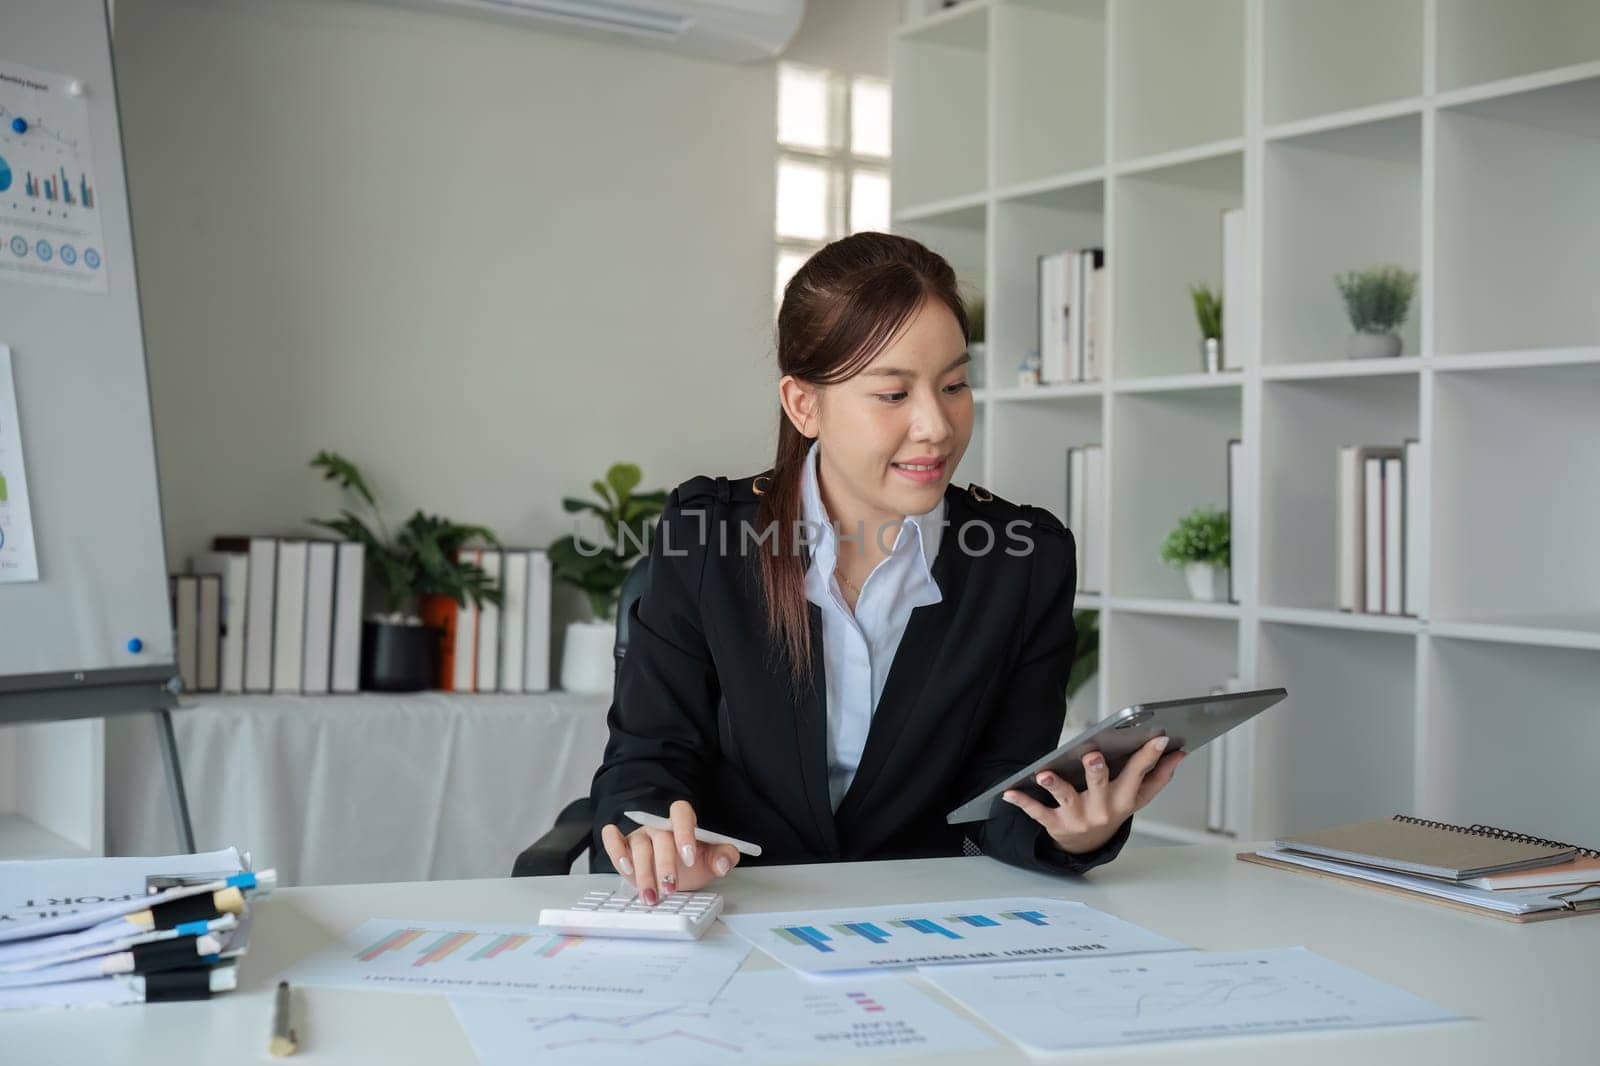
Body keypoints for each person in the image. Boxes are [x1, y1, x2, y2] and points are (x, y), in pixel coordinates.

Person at [590, 232, 1183, 904]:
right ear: (804, 404)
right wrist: (658, 845)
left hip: (918, 920)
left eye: (955, 384)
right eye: (893, 394)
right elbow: (646, 761)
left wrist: (1072, 832)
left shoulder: (1024, 561)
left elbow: (999, 791)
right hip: (736, 909)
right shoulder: (705, 539)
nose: (937, 425)